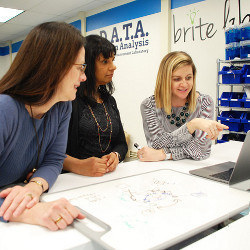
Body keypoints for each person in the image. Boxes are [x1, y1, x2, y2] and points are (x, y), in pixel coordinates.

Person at [0, 22, 86, 230]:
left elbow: (54, 160)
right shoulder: (5, 109)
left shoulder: (62, 107)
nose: (84, 77)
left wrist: (34, 188)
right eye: (80, 68)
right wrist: (29, 211)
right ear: (54, 66)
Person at [138, 51, 228, 162]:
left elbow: (201, 151)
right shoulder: (149, 106)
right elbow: (156, 145)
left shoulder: (205, 102)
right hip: (162, 170)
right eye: (177, 79)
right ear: (165, 80)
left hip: (191, 170)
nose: (184, 84)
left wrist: (164, 155)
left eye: (188, 78)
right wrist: (192, 126)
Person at [64, 34, 128, 177]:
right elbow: (53, 153)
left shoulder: (110, 101)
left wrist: (115, 155)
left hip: (107, 178)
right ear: (87, 65)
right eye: (105, 61)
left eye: (113, 60)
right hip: (75, 179)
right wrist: (80, 166)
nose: (113, 67)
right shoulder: (69, 101)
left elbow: (122, 143)